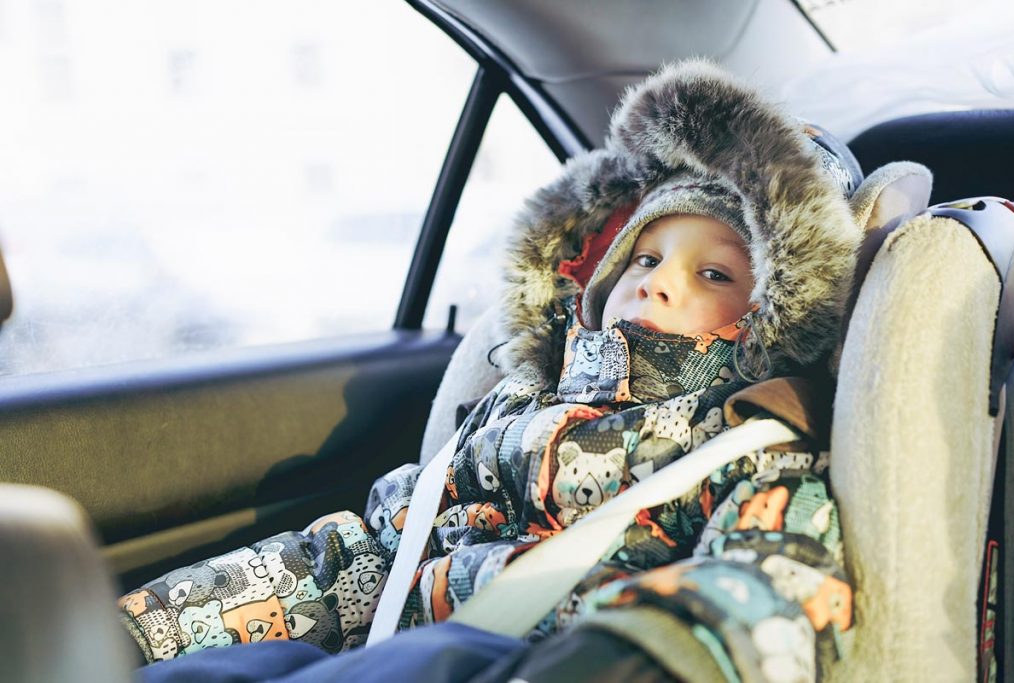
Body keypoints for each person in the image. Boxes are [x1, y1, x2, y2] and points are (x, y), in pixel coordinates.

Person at [118, 59, 923, 681]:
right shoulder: (508, 408)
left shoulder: (747, 439)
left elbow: (774, 572)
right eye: (643, 255)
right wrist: (136, 628)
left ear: (781, 309)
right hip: (388, 646)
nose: (660, 279)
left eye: (716, 273)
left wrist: (639, 652)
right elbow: (355, 560)